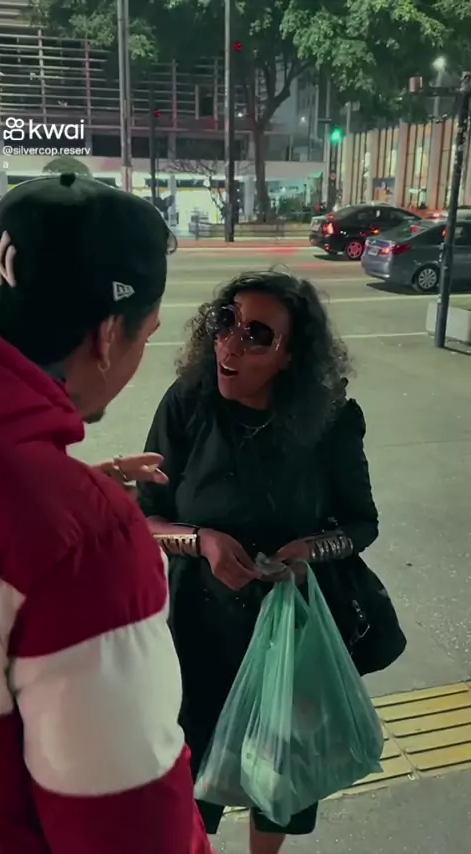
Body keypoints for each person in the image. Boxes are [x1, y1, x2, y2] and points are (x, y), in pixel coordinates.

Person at [0, 174, 211, 854]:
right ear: (110, 334)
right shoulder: (83, 542)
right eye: (147, 335)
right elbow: (131, 830)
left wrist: (62, 480)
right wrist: (70, 502)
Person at [137, 271, 379, 854]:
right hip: (197, 633)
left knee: (278, 773)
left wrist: (308, 552)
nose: (230, 344)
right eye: (225, 323)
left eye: (258, 335)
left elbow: (361, 524)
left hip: (288, 637)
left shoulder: (330, 420)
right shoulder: (189, 403)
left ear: (291, 355)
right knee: (190, 774)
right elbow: (145, 520)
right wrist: (202, 542)